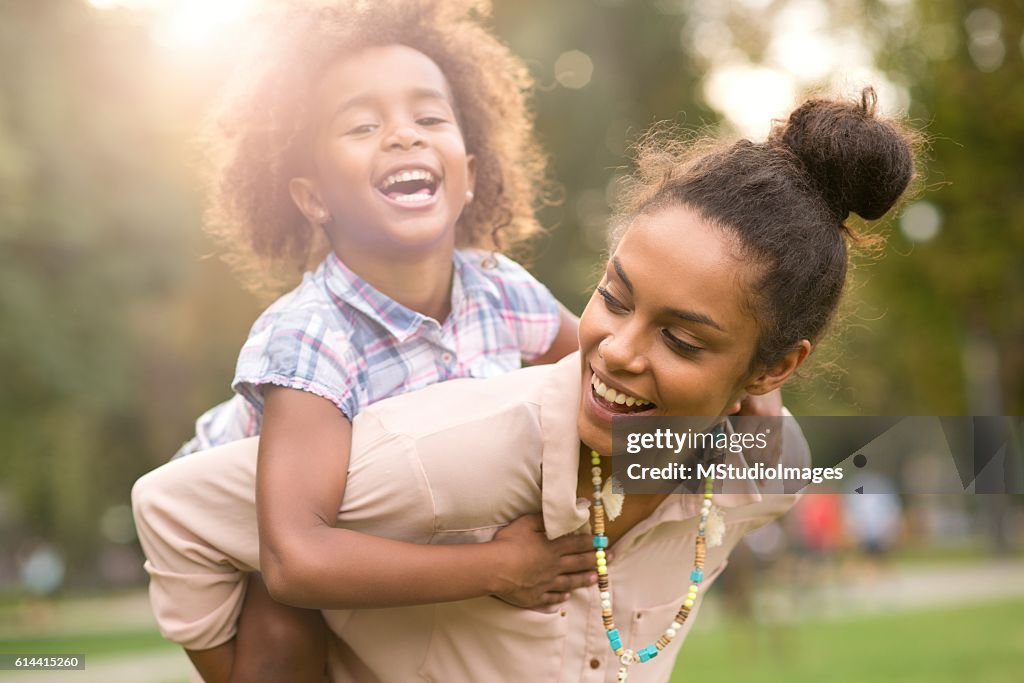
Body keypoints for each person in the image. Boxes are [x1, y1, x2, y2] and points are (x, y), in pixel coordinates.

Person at [134, 87, 917, 682]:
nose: (613, 352)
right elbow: (173, 510)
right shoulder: (456, 449)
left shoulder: (758, 469)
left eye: (681, 337)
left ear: (775, 366)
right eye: (613, 296)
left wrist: (758, 410)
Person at [163, 1, 595, 679]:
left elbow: (604, 381)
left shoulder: (501, 289)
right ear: (312, 198)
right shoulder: (310, 334)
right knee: (284, 632)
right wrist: (502, 564)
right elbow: (295, 558)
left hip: (390, 539)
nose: (403, 135)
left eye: (430, 118)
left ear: (470, 174)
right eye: (362, 125)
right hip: (250, 558)